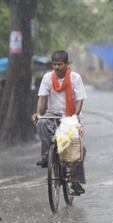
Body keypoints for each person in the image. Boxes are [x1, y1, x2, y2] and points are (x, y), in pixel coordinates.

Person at [31, 50, 87, 195]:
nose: (56, 67)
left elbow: (80, 99)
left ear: (66, 64)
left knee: (77, 148)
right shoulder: (47, 78)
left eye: (59, 64)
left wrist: (75, 116)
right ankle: (46, 156)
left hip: (70, 115)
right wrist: (39, 113)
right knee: (41, 123)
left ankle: (75, 181)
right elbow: (42, 98)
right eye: (54, 64)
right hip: (52, 114)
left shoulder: (75, 78)